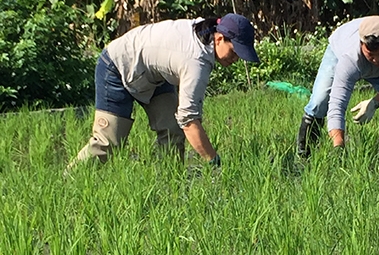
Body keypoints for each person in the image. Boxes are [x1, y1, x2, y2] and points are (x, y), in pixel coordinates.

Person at [66, 13, 259, 171]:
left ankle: (169, 187)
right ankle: (69, 181)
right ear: (219, 38)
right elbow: (189, 121)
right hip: (117, 65)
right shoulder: (196, 61)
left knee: (172, 130)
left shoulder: (206, 30)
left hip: (155, 74)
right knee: (108, 142)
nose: (236, 59)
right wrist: (215, 163)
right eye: (234, 52)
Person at [297, 15, 379, 157]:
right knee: (319, 101)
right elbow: (337, 105)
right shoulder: (350, 57)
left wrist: (374, 103)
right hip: (340, 50)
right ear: (361, 45)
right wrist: (339, 146)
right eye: (371, 54)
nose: (377, 60)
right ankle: (304, 156)